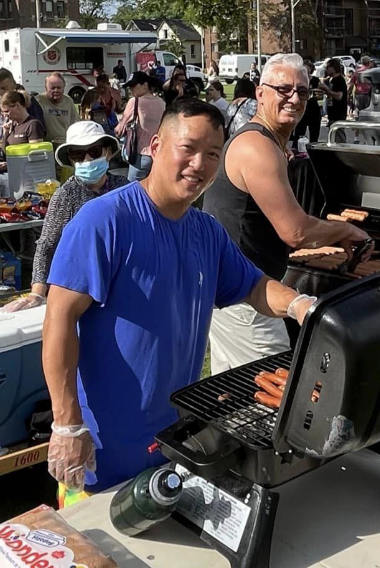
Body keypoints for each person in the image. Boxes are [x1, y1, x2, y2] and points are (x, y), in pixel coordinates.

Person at [41, 99, 320, 500]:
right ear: (155, 146)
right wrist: (67, 424)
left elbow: (254, 286)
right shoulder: (104, 220)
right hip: (101, 446)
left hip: (176, 435)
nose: (199, 164)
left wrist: (299, 305)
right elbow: (59, 320)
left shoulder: (206, 231)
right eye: (188, 148)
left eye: (212, 154)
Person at [201, 53, 367, 374]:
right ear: (260, 94)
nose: (294, 98)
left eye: (302, 91)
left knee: (235, 396)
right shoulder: (257, 147)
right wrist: (346, 231)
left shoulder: (267, 143)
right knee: (270, 393)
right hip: (247, 300)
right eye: (284, 89)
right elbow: (295, 232)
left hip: (232, 290)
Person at [5, 122, 131, 313]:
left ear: (108, 152)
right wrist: (37, 292)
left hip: (121, 280)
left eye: (94, 151)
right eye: (78, 155)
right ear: (71, 161)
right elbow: (47, 244)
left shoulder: (124, 188)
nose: (87, 159)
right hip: (79, 286)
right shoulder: (66, 194)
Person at [118, 72, 166, 180]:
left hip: (141, 155)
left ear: (145, 85)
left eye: (133, 85)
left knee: (133, 191)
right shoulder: (161, 102)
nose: (131, 89)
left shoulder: (135, 102)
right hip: (157, 154)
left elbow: (119, 130)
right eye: (129, 86)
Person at [39, 73, 78, 145]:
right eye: (52, 88)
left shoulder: (68, 101)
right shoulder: (39, 101)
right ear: (46, 88)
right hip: (47, 146)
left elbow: (75, 123)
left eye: (59, 87)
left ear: (63, 88)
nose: (56, 90)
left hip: (65, 145)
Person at [322, 59, 349, 126]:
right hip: (332, 114)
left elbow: (339, 96)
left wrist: (327, 89)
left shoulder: (340, 80)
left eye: (327, 67)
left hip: (338, 114)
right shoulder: (332, 79)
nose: (326, 70)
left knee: (338, 134)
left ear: (333, 68)